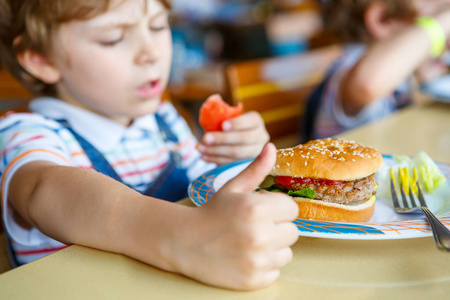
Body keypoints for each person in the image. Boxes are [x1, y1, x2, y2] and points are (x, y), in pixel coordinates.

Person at [0, 0, 299, 291]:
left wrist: (240, 163)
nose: (150, 53)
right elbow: (45, 191)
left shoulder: (164, 121)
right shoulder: (25, 134)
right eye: (113, 38)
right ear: (41, 59)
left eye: (157, 26)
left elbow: (210, 207)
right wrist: (184, 235)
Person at [302, 0, 450, 141]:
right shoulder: (348, 66)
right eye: (437, 17)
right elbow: (367, 83)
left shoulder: (401, 75)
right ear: (382, 19)